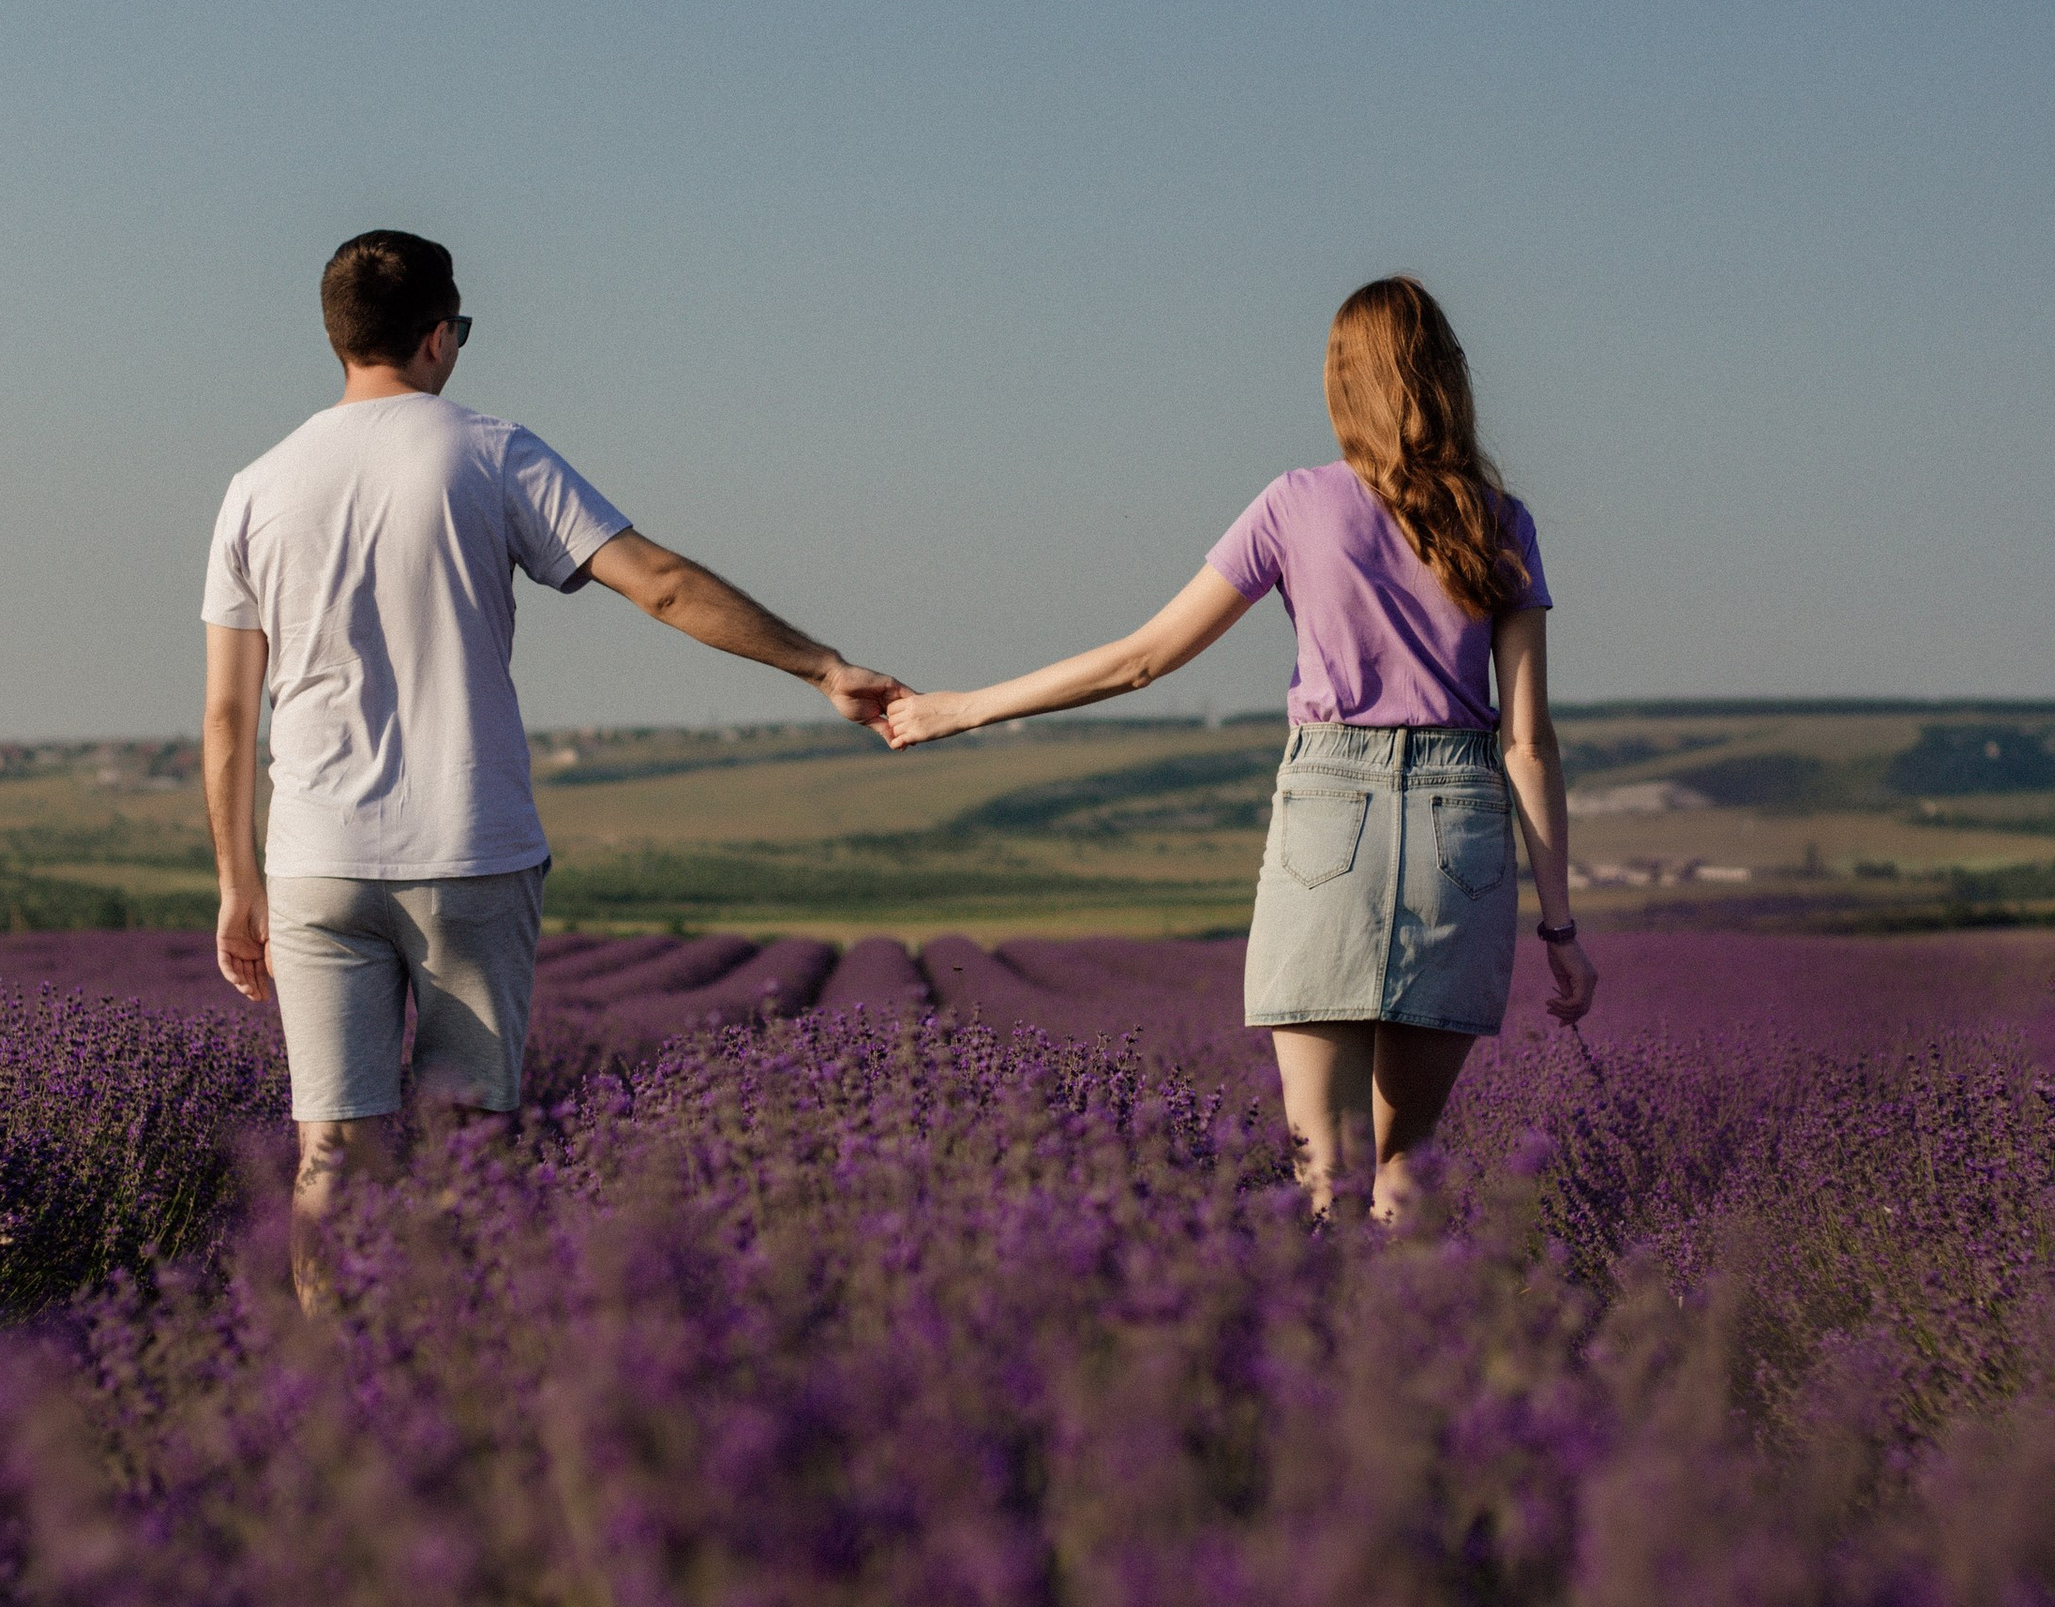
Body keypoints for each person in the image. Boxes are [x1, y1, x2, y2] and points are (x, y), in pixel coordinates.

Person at [205, 228, 904, 1293]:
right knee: (467, 1144)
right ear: (439, 337)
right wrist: (820, 665)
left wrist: (235, 884)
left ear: (337, 338)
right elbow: (661, 584)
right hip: (469, 851)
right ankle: (456, 1369)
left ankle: (323, 1393)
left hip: (314, 861)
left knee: (328, 1155)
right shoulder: (489, 452)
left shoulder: (256, 488)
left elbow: (224, 717)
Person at [884, 274, 1594, 1227]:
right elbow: (1528, 740)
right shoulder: (1501, 525)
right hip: (1458, 834)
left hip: (1328, 817)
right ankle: (1411, 1358)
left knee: (1326, 1177)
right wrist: (1561, 929)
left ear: (1344, 383)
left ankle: (1328, 1357)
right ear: (1447, 377)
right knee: (1406, 1168)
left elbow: (1141, 661)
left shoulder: (1296, 504)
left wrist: (959, 709)